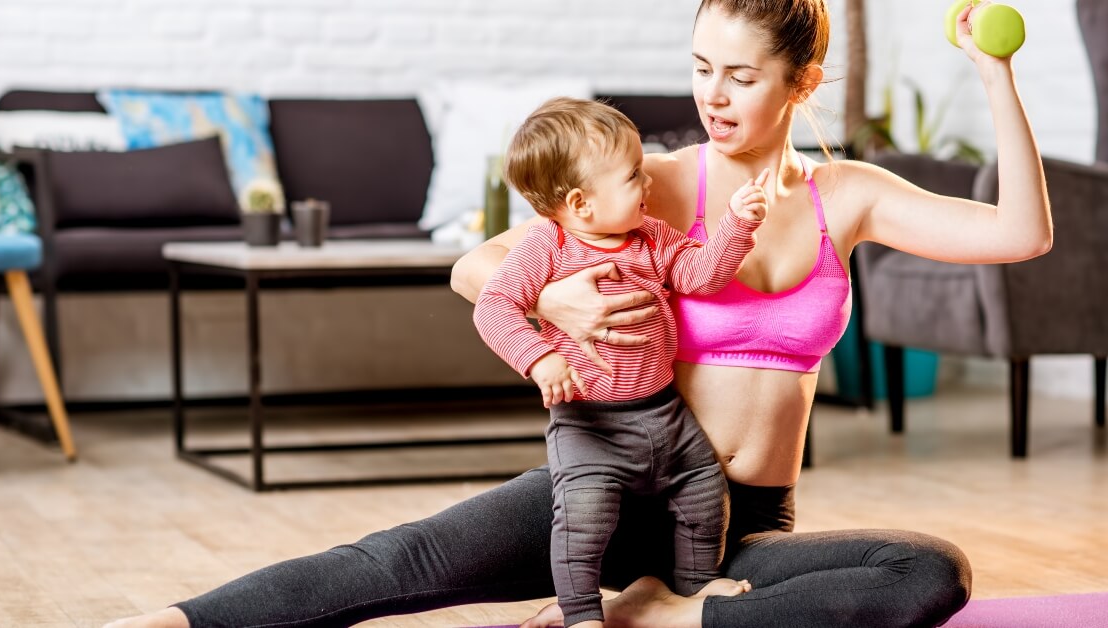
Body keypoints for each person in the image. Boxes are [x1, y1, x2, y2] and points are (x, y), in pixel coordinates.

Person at [109, 0, 1047, 626]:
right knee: (396, 564)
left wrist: (995, 75)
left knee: (930, 573)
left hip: (742, 527)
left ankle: (663, 612)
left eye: (742, 76)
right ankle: (173, 623)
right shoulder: (663, 183)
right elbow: (477, 267)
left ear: (799, 84)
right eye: (700, 67)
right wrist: (552, 294)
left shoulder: (851, 195)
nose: (712, 95)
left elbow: (1020, 233)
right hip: (605, 478)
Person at [474, 96, 769, 628]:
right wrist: (540, 359)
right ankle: (582, 613)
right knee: (583, 519)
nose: (648, 182)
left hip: (665, 414)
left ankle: (695, 589)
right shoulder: (548, 245)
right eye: (634, 175)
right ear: (582, 203)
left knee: (705, 493)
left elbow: (702, 274)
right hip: (589, 425)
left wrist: (735, 227)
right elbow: (494, 307)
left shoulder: (651, 236)